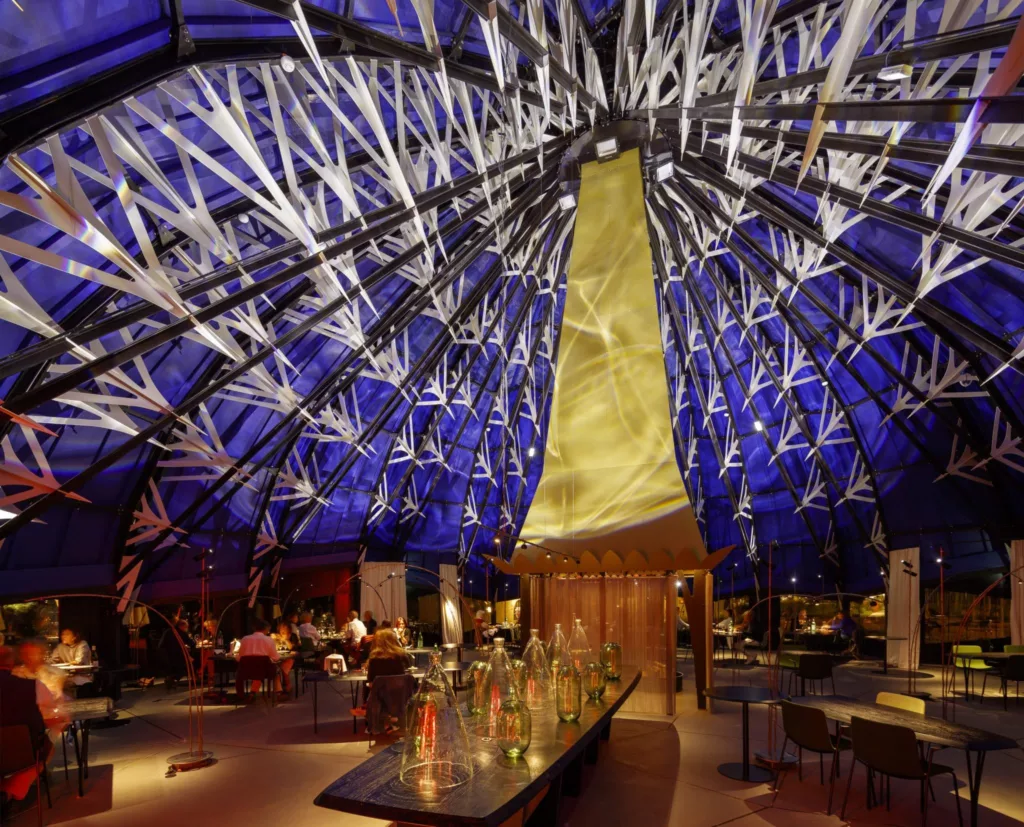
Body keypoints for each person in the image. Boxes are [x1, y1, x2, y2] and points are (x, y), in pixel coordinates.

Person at [0, 646, 51, 804]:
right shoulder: (30, 686)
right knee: (47, 746)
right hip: (24, 752)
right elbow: (45, 716)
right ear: (12, 663)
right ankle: (9, 790)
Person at [272, 622, 297, 695]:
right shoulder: (277, 636)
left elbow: (290, 647)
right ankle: (279, 689)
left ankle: (287, 685)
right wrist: (273, 639)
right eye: (281, 628)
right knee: (276, 668)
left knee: (284, 667)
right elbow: (274, 648)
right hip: (278, 658)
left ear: (289, 629)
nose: (282, 630)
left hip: (290, 658)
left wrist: (285, 639)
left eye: (285, 628)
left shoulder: (293, 636)